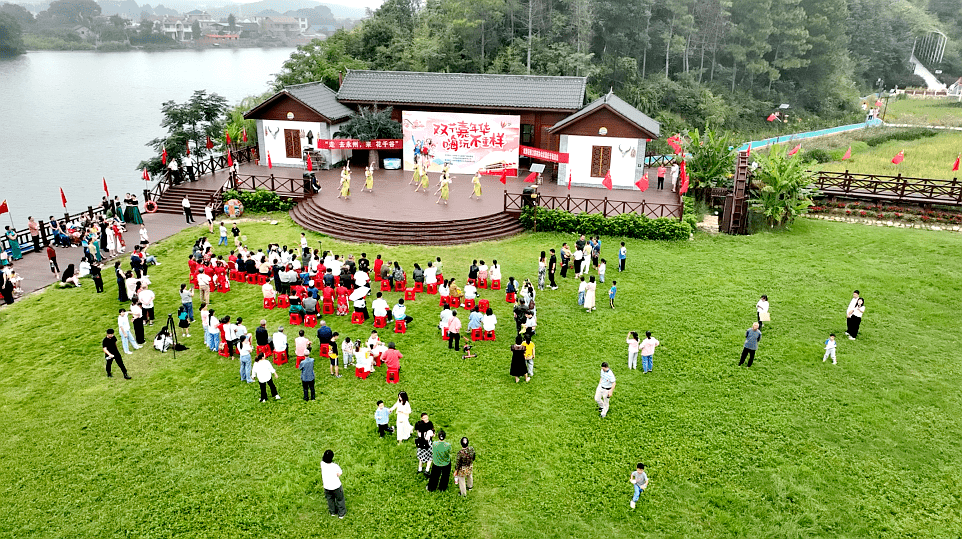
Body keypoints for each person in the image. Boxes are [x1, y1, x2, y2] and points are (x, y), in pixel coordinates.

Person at [321, 449, 346, 519]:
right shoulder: (335, 466)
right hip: (336, 486)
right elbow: (339, 473)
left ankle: (333, 512)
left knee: (330, 499)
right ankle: (341, 514)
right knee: (340, 499)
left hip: (326, 486)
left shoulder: (322, 464)